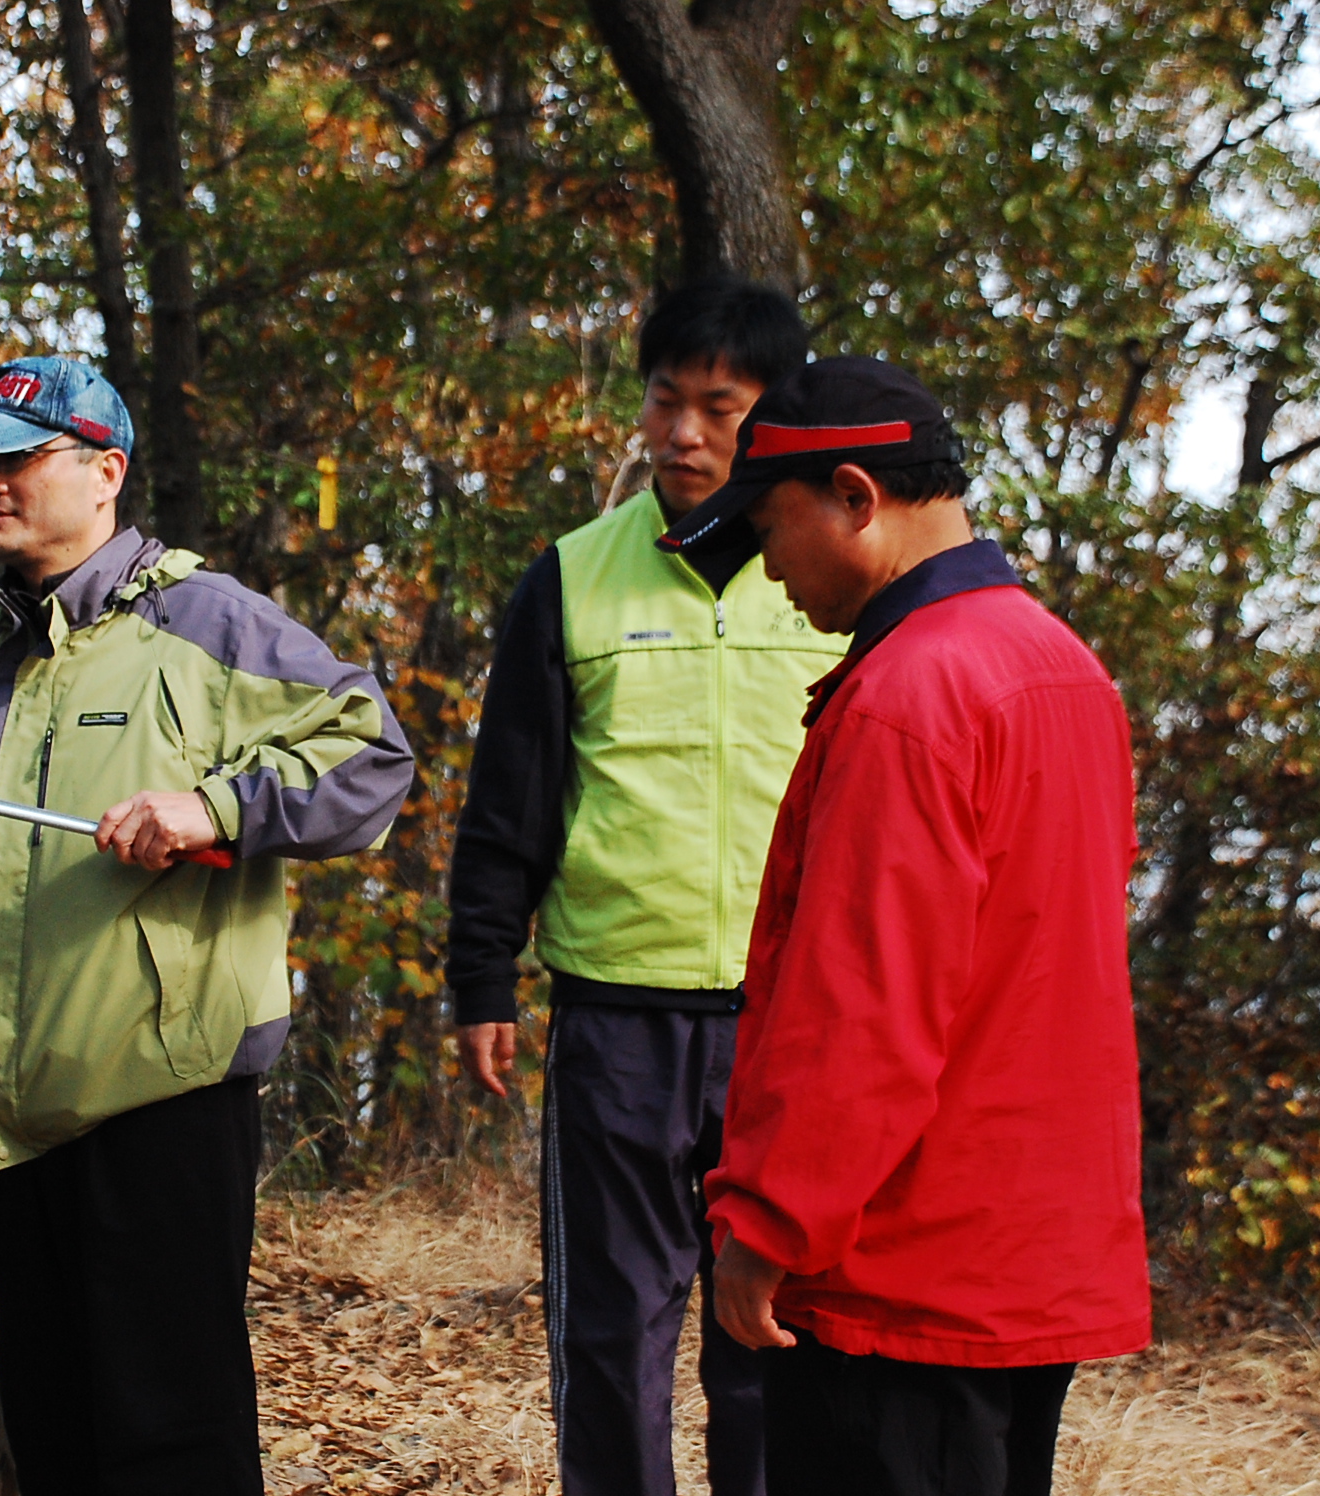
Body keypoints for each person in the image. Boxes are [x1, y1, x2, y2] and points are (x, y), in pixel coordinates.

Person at [0, 356, 415, 1496]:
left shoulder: (206, 623)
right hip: (13, 1120)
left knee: (170, 1444)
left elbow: (371, 752)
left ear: (105, 470)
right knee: (55, 1442)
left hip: (163, 1110)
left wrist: (210, 804)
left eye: (16, 458)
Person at [659, 356, 1150, 1495]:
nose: (771, 575)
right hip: (1025, 1253)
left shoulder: (907, 694)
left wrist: (767, 1223)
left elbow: (862, 1008)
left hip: (903, 1269)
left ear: (854, 497)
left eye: (771, 529)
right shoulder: (1063, 666)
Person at [445, 278, 840, 1496]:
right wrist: (480, 973)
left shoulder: (827, 577)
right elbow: (509, 793)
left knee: (771, 1334)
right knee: (612, 1331)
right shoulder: (570, 578)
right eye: (666, 400)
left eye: (717, 406)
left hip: (792, 1018)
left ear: (771, 414)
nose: (682, 432)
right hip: (616, 1008)